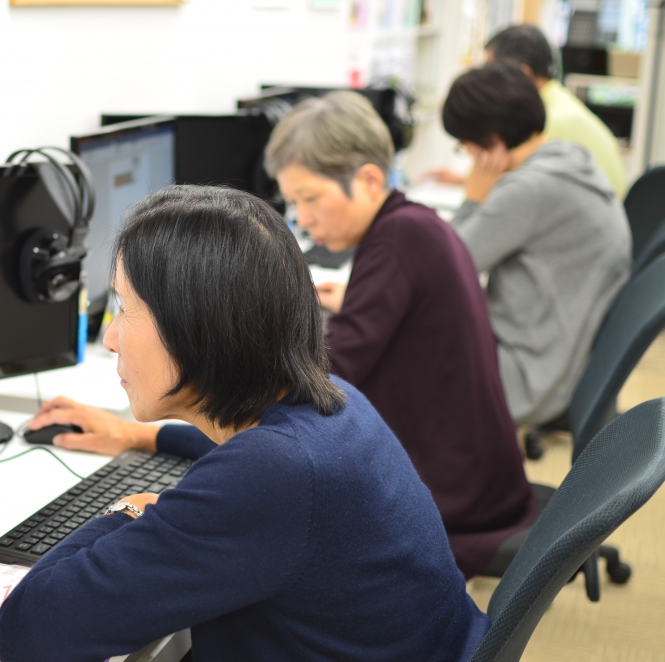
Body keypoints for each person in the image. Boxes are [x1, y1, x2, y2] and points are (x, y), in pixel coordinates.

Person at [31, 92, 534, 580]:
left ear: (369, 180)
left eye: (310, 199)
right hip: (470, 472)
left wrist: (148, 435)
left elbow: (297, 410)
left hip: (454, 490)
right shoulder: (414, 227)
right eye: (293, 202)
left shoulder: (402, 240)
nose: (305, 220)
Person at [0, 185, 490, 662]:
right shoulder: (336, 404)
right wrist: (140, 434)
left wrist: (126, 511)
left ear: (196, 327)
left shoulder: (271, 476)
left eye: (125, 308)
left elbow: (29, 631)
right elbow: (264, 456)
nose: (110, 338)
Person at [443, 61, 631, 427]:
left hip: (525, 375)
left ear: (491, 143)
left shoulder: (528, 190)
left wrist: (473, 198)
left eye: (464, 145)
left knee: (386, 345)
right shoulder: (568, 158)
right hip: (555, 354)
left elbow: (447, 265)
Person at [427, 24, 628, 200]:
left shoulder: (546, 120)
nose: (486, 81)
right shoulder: (557, 101)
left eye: (492, 71)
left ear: (522, 73)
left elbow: (516, 190)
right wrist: (464, 180)